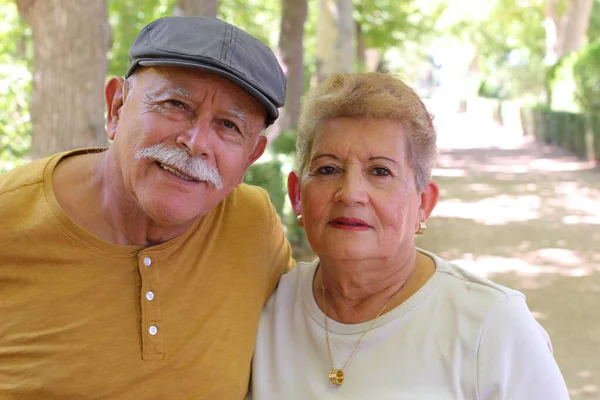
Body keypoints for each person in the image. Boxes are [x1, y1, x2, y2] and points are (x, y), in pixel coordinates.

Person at [0, 16, 293, 399]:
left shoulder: (253, 226)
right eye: (175, 104)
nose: (195, 141)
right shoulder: (10, 220)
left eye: (228, 125)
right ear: (116, 108)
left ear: (249, 159)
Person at [250, 72, 570, 399]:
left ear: (423, 203)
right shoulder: (264, 308)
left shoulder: (492, 328)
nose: (350, 194)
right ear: (297, 194)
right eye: (328, 169)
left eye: (380, 172)